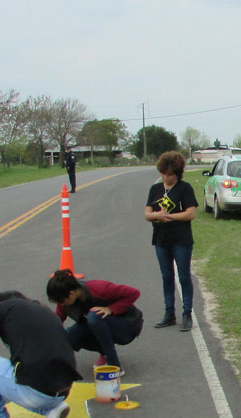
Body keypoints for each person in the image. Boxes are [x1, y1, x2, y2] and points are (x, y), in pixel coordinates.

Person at [0, 290, 83, 418]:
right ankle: (51, 409)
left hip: (34, 392)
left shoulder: (3, 308)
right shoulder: (44, 311)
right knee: (32, 373)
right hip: (63, 390)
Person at [46, 269, 143, 370]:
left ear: (71, 294)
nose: (61, 305)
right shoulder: (64, 302)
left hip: (127, 325)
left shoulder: (99, 288)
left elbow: (134, 293)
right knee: (68, 335)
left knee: (94, 316)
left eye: (61, 301)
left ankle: (114, 365)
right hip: (101, 326)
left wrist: (110, 309)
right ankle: (104, 353)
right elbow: (56, 323)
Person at [145, 151, 198, 331]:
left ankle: (187, 313)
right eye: (164, 174)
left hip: (181, 240)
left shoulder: (185, 188)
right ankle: (169, 312)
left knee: (183, 276)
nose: (166, 178)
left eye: (170, 175)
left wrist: (171, 217)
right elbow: (147, 214)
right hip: (161, 239)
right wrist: (156, 215)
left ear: (177, 173)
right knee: (166, 276)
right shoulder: (155, 189)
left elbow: (191, 213)